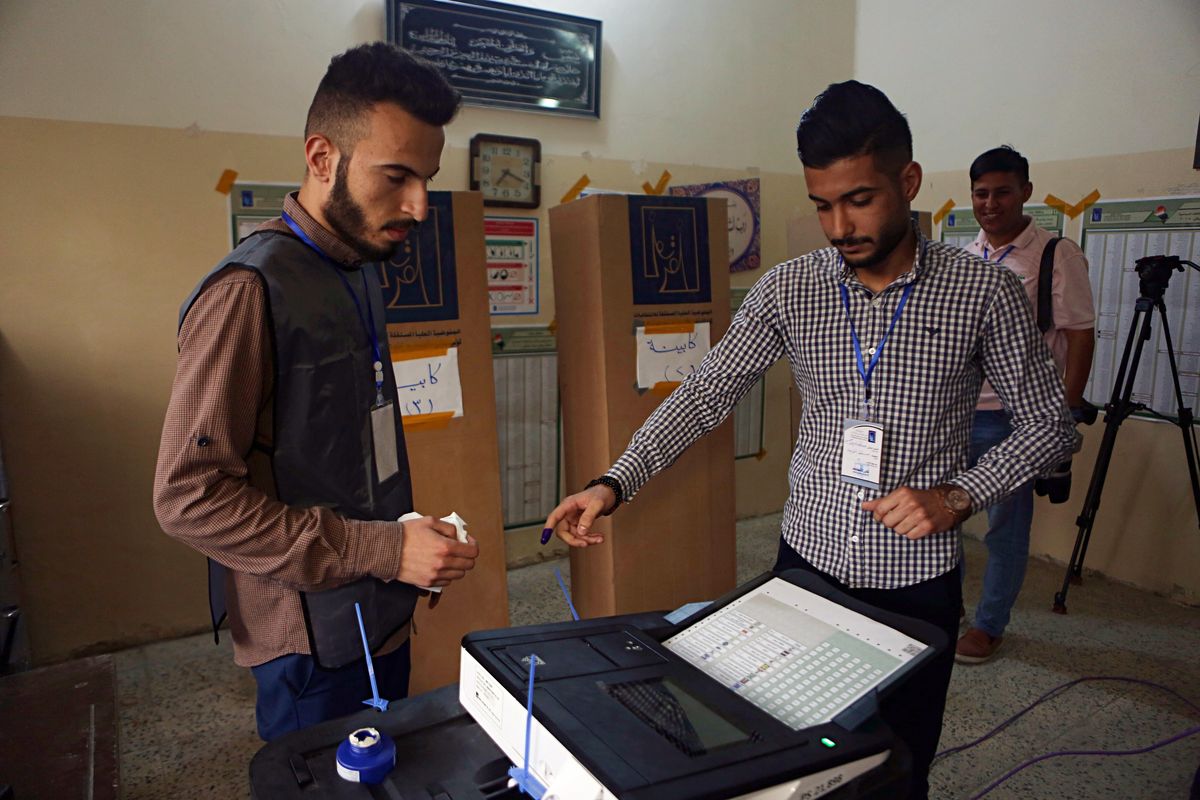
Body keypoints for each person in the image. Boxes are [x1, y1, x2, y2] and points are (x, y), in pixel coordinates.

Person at [542, 81, 1076, 798]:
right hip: (805, 570)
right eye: (823, 204)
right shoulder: (790, 290)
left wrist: (957, 496)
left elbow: (1050, 425)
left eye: (859, 199)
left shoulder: (984, 293)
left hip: (913, 585)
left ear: (908, 181)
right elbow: (705, 395)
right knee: (792, 759)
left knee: (897, 764)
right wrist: (613, 482)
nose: (839, 225)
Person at [153, 43, 479, 741]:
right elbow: (188, 498)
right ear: (323, 157)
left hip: (378, 605)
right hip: (309, 639)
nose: (419, 205)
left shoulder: (358, 266)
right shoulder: (247, 291)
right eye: (396, 176)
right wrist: (386, 551)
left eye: (425, 178)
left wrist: (407, 539)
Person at [957, 146, 1095, 664]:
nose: (990, 203)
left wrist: (1065, 412)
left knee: (1005, 528)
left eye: (1002, 191)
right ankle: (945, 610)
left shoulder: (1057, 254)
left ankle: (989, 625)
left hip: (1017, 418)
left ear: (1026, 193)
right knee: (944, 519)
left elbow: (1080, 335)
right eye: (981, 193)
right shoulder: (963, 259)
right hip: (957, 413)